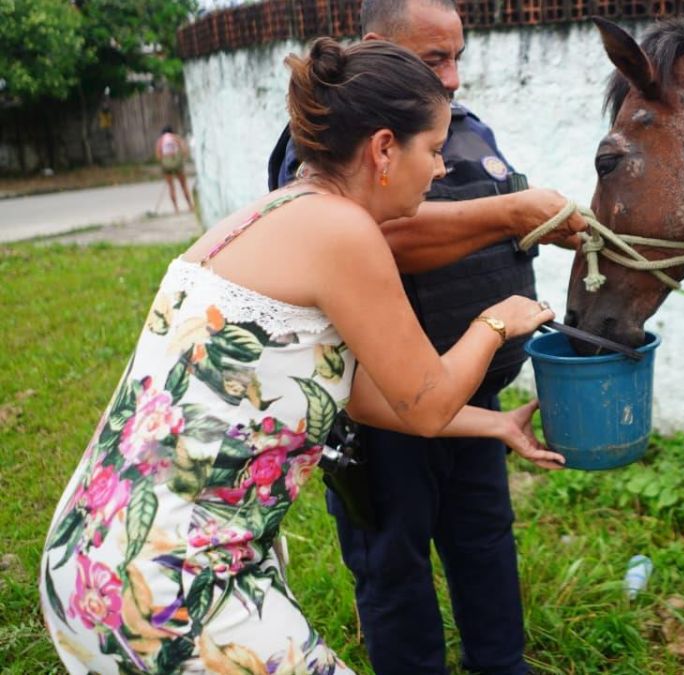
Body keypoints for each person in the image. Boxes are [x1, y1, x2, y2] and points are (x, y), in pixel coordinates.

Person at [39, 38, 565, 674]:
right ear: (382, 150)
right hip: (169, 584)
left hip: (93, 552)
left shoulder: (264, 215)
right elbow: (428, 405)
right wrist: (496, 322)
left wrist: (496, 423)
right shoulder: (344, 232)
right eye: (432, 150)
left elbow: (368, 394)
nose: (441, 171)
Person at [266, 2, 586, 673]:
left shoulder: (460, 123)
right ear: (380, 46)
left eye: (457, 56)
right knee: (394, 566)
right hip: (382, 413)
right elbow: (368, 240)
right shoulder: (329, 145)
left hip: (465, 391)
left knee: (485, 541)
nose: (454, 76)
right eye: (435, 58)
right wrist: (507, 216)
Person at [155, 126, 194, 213]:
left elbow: (158, 155)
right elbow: (184, 151)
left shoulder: (161, 140)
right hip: (177, 164)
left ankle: (176, 209)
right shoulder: (176, 138)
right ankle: (190, 206)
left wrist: (164, 163)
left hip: (167, 165)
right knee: (183, 186)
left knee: (171, 187)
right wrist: (181, 158)